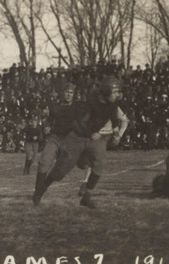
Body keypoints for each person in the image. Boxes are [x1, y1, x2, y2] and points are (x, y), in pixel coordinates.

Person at [33, 77, 129, 209]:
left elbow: (114, 120)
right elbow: (77, 123)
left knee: (100, 164)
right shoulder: (91, 101)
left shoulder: (112, 105)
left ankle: (87, 195)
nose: (119, 95)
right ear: (107, 91)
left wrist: (117, 135)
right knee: (61, 170)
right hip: (78, 136)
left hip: (94, 138)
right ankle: (43, 187)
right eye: (116, 92)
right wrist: (89, 132)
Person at [31, 82, 84, 205]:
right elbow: (49, 121)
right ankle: (38, 192)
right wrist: (47, 127)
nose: (69, 95)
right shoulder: (55, 107)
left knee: (58, 172)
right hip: (55, 138)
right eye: (67, 92)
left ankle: (44, 187)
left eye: (71, 93)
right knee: (44, 162)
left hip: (70, 141)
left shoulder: (77, 108)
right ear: (62, 93)